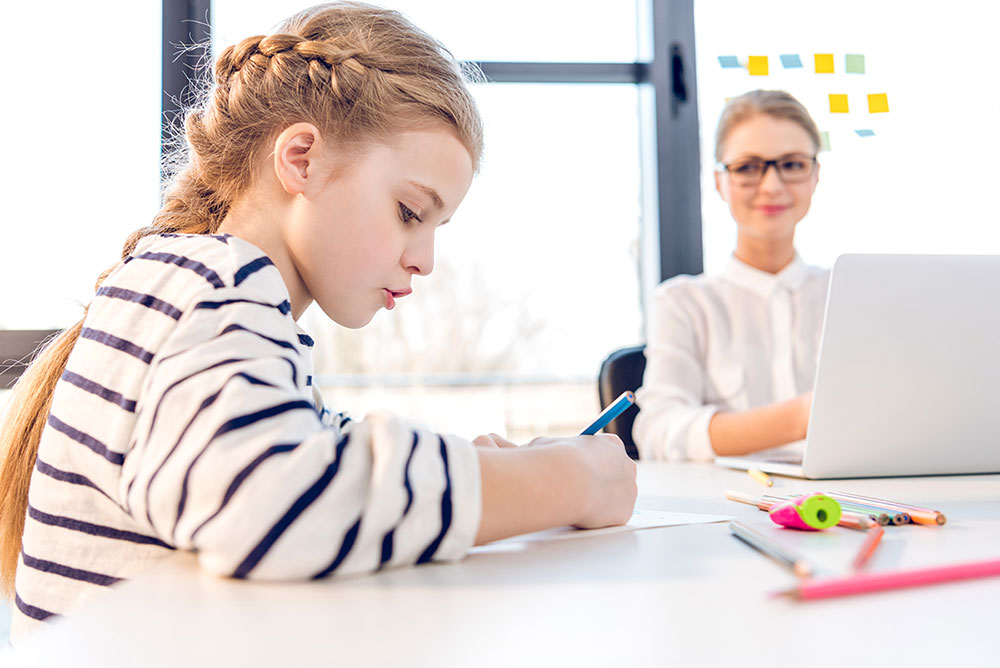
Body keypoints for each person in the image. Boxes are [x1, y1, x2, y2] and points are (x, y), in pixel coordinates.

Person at [0, 2, 637, 644]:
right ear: (300, 159)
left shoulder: (190, 287)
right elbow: (269, 501)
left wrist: (481, 471)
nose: (425, 260)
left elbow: (296, 452)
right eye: (411, 212)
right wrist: (567, 482)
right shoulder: (216, 290)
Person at [633, 89, 828, 462]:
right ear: (720, 181)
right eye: (748, 167)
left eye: (792, 164)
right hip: (728, 508)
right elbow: (659, 432)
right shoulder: (684, 303)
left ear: (816, 174)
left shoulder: (851, 294)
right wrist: (801, 417)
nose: (771, 186)